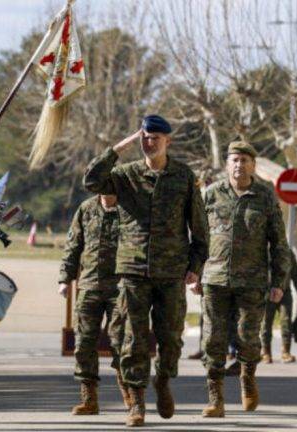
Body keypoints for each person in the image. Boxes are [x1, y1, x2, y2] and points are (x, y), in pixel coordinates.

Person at [84, 114, 208, 427]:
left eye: (154, 137)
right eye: (144, 136)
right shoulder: (125, 175)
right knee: (132, 339)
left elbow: (199, 228)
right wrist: (118, 148)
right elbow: (91, 181)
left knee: (171, 338)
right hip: (133, 271)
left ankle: (163, 380)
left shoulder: (183, 176)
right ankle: (136, 403)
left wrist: (195, 267)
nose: (148, 142)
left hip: (171, 273)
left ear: (168, 141)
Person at [199, 141, 289, 418]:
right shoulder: (211, 194)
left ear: (253, 165)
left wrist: (278, 282)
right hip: (214, 279)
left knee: (248, 338)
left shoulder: (264, 197)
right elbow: (197, 237)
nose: (239, 165)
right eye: (234, 160)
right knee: (212, 339)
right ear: (227, 164)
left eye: (245, 161)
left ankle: (247, 377)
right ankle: (216, 399)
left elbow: (279, 243)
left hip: (252, 281)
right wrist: (191, 271)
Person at [58, 194, 122, 415]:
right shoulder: (86, 208)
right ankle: (89, 399)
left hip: (120, 287)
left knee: (122, 343)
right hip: (89, 286)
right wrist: (65, 278)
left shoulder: (130, 207)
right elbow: (73, 245)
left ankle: (131, 399)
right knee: (83, 343)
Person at [261, 249, 297, 363]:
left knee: (286, 322)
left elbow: (295, 273)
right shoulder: (264, 250)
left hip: (284, 292)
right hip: (267, 293)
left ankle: (286, 351)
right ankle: (266, 352)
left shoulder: (288, 252)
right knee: (266, 323)